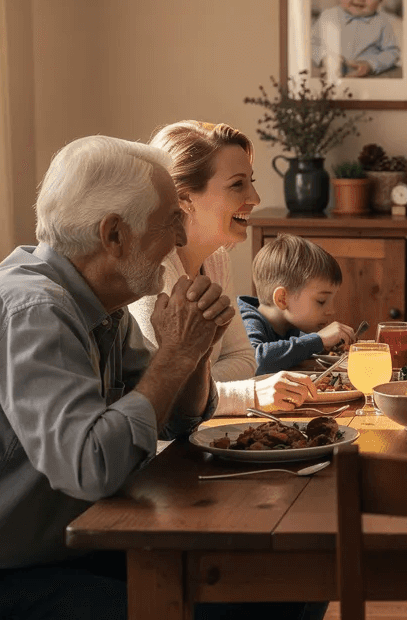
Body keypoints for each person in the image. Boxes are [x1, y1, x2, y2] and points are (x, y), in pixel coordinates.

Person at [0, 136, 321, 620]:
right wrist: (174, 355)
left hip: (39, 557)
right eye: (169, 221)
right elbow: (91, 467)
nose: (180, 237)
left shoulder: (100, 306)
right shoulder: (31, 310)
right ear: (113, 234)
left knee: (294, 569)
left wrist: (193, 351)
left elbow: (176, 414)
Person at [130, 120, 314, 416]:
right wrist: (249, 394)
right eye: (237, 184)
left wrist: (202, 386)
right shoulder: (151, 273)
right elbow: (156, 395)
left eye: (250, 182)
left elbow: (244, 358)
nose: (254, 198)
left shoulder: (216, 259)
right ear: (185, 198)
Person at [238, 234, 356, 376]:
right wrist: (319, 340)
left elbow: (292, 351)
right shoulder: (245, 321)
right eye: (321, 301)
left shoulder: (290, 326)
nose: (331, 311)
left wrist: (327, 346)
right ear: (282, 299)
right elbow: (255, 360)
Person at [311, 0, 400, 78]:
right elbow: (313, 44)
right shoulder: (328, 17)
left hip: (368, 77)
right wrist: (325, 57)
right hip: (331, 76)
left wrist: (371, 65)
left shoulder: (382, 23)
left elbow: (392, 53)